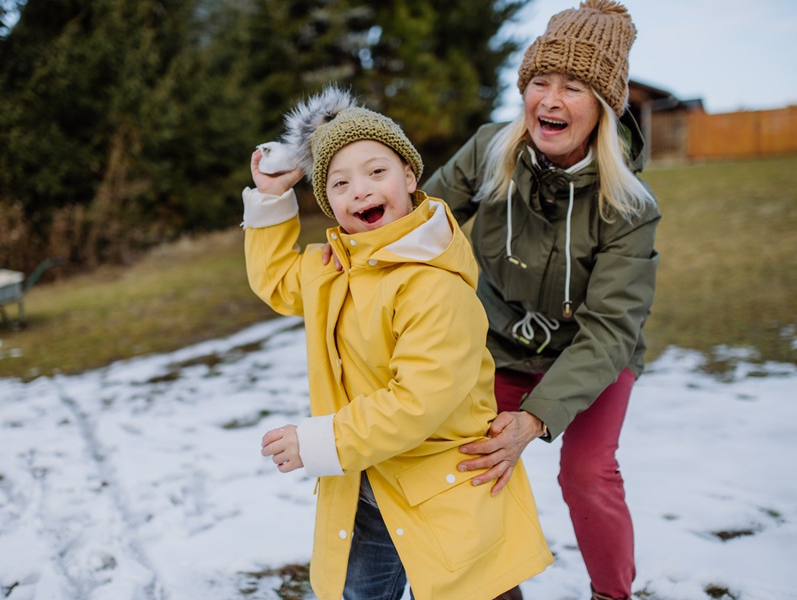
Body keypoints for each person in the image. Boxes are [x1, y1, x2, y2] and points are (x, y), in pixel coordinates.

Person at [242, 86, 553, 600]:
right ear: (329, 203)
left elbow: (418, 401)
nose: (359, 190)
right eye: (339, 183)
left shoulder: (433, 284)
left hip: (446, 486)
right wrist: (273, 196)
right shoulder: (333, 268)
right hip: (365, 488)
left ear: (410, 176)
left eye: (376, 172)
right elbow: (276, 279)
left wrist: (321, 442)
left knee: (475, 589)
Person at [417, 2, 661, 599]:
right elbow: (422, 222)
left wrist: (535, 418)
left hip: (591, 355)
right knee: (469, 457)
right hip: (499, 341)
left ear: (602, 107)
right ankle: (495, 589)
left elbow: (609, 330)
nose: (549, 100)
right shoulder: (488, 150)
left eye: (573, 87)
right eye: (539, 82)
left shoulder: (629, 208)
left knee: (586, 474)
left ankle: (612, 594)